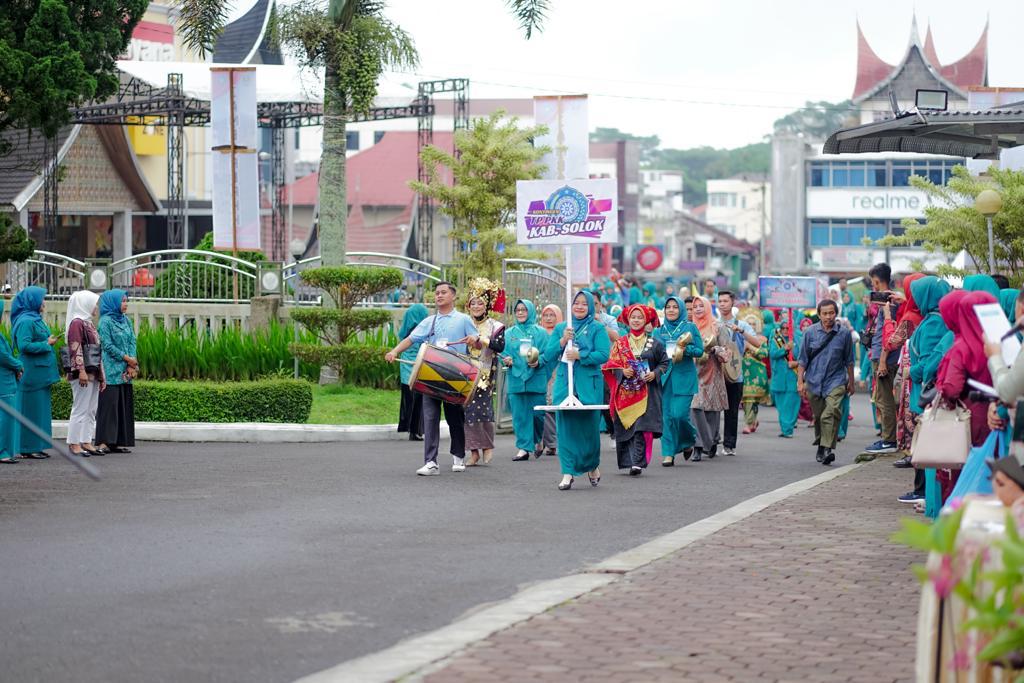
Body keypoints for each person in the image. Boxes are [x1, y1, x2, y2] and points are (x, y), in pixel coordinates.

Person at [385, 281, 479, 476]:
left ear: (453, 296)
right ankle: (430, 462)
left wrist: (474, 340)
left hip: (456, 377)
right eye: (436, 293)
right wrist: (394, 351)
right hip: (430, 375)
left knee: (455, 418)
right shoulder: (430, 321)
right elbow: (411, 339)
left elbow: (477, 344)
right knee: (430, 419)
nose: (439, 296)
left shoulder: (463, 320)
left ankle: (458, 456)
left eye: (443, 292)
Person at [542, 290, 610, 490]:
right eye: (576, 303)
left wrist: (581, 355)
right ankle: (567, 472)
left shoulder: (597, 328)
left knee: (589, 429)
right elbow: (548, 354)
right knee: (566, 429)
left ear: (590, 306)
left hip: (589, 385)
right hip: (565, 384)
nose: (579, 306)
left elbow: (604, 355)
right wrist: (562, 341)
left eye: (584, 303)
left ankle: (592, 466)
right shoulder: (563, 327)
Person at [936, 290, 997, 501]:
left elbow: (952, 388)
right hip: (999, 418)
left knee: (964, 480)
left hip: (969, 422)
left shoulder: (962, 347)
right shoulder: (1004, 344)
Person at [603, 305, 669, 476]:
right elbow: (611, 364)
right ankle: (629, 460)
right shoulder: (620, 343)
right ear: (628, 320)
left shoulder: (656, 344)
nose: (636, 320)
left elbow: (664, 363)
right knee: (628, 426)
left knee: (641, 427)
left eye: (640, 317)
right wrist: (622, 372)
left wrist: (655, 374)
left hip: (647, 393)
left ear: (646, 320)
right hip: (625, 393)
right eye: (633, 317)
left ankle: (637, 463)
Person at [797, 299, 855, 465]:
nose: (828, 316)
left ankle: (828, 448)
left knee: (831, 411)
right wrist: (800, 382)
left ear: (836, 314)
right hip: (814, 381)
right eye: (825, 313)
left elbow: (849, 360)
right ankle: (821, 445)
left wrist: (851, 382)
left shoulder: (844, 334)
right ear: (819, 315)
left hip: (836, 380)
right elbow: (802, 360)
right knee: (819, 416)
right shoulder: (810, 333)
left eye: (831, 313)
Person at [653, 295, 703, 465]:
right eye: (668, 307)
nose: (671, 310)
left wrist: (683, 349)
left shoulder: (690, 327)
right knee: (667, 417)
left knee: (679, 415)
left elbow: (699, 351)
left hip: (684, 378)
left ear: (681, 309)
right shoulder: (658, 331)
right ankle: (668, 453)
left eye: (675, 307)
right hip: (664, 378)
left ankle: (688, 439)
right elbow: (653, 354)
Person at [11, 286, 60, 460]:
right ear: (32, 301)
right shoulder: (26, 321)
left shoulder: (35, 319)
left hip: (40, 373)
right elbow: (24, 346)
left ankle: (37, 446)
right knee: (30, 410)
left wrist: (48, 341)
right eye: (41, 299)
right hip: (31, 373)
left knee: (40, 411)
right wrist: (47, 344)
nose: (43, 302)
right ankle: (27, 448)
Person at [462, 278, 506, 467]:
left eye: (480, 302)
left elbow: (500, 345)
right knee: (466, 412)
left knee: (482, 410)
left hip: (485, 374)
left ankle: (487, 446)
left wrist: (481, 339)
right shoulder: (463, 323)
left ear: (487, 305)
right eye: (473, 303)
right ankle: (473, 452)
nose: (476, 306)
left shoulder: (495, 326)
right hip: (463, 374)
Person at [717, 291, 764, 456]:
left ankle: (729, 445)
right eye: (720, 301)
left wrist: (741, 332)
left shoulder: (741, 324)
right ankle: (712, 440)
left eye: (725, 301)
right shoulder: (714, 324)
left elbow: (757, 342)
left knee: (731, 411)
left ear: (732, 303)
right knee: (712, 409)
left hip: (736, 374)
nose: (722, 304)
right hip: (715, 374)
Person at [503, 299, 549, 461]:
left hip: (536, 378)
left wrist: (539, 361)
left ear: (530, 312)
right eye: (518, 310)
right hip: (516, 379)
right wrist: (506, 359)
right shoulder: (509, 334)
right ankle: (523, 448)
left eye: (524, 310)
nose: (521, 312)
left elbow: (547, 354)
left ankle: (538, 440)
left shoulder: (541, 333)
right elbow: (503, 352)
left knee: (538, 415)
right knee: (520, 416)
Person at [95, 290, 138, 454]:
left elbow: (132, 340)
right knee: (109, 405)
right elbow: (107, 345)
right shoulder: (105, 322)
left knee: (122, 404)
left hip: (125, 370)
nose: (126, 304)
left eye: (126, 301)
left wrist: (131, 363)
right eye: (123, 301)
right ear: (113, 302)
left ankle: (119, 441)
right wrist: (127, 358)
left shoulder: (126, 320)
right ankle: (104, 442)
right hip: (111, 369)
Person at [689, 295, 731, 461]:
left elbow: (728, 353)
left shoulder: (718, 327)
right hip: (693, 374)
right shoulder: (689, 327)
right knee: (695, 408)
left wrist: (714, 350)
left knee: (711, 412)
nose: (698, 309)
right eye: (695, 306)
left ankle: (712, 441)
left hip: (713, 375)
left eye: (701, 306)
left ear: (707, 307)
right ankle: (698, 446)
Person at [865, 263, 901, 454]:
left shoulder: (889, 302)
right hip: (884, 356)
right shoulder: (892, 299)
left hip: (885, 358)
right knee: (883, 398)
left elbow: (889, 333)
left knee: (884, 399)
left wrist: (881, 361)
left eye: (874, 282)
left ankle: (889, 440)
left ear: (878, 281)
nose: (873, 287)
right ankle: (889, 438)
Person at [65, 290, 105, 457]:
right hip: (83, 374)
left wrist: (102, 376)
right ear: (85, 304)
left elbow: (96, 351)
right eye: (94, 303)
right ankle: (74, 443)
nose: (96, 307)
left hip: (93, 373)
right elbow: (75, 347)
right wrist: (80, 370)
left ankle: (86, 441)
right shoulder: (77, 323)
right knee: (80, 408)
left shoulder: (88, 323)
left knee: (91, 409)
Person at [396, 304, 429, 441]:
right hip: (421, 365)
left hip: (407, 365)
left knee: (408, 398)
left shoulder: (407, 331)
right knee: (420, 399)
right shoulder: (424, 329)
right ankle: (417, 430)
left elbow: (402, 337)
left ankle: (408, 427)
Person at [0, 297, 24, 464]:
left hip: (6, 380)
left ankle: (8, 450)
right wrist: (18, 365)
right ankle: (3, 452)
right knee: (5, 418)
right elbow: (3, 356)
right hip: (3, 382)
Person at [538, 303, 563, 457]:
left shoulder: (562, 333)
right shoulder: (538, 333)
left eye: (552, 315)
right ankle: (544, 441)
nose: (548, 318)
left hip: (557, 372)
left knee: (553, 406)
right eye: (545, 315)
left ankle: (552, 442)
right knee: (542, 407)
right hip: (541, 372)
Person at [769, 316, 799, 438]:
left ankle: (788, 429)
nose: (786, 330)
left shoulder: (798, 339)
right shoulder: (776, 339)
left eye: (788, 328)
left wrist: (796, 362)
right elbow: (772, 354)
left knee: (792, 403)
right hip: (779, 377)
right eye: (783, 328)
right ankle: (785, 427)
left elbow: (804, 356)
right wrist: (784, 349)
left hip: (793, 376)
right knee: (781, 405)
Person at [740, 311, 768, 434]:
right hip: (743, 373)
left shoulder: (761, 339)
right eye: (748, 323)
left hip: (757, 373)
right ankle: (753, 421)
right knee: (746, 400)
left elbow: (764, 354)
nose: (751, 325)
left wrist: (750, 347)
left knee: (752, 399)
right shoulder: (740, 338)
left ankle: (748, 423)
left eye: (753, 323)